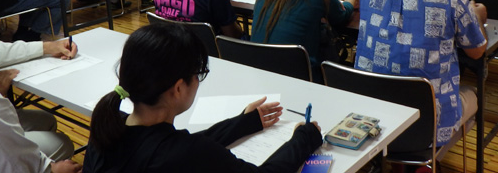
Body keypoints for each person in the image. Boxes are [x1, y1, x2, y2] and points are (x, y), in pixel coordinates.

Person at [84, 23, 322, 173]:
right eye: (196, 74)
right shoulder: (185, 154)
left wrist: (243, 122)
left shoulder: (107, 129)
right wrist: (305, 137)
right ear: (178, 88)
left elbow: (184, 145)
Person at [355, 0, 487, 147]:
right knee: (473, 96)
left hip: (373, 115)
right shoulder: (453, 1)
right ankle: (426, 158)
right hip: (426, 123)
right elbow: (476, 52)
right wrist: (478, 15)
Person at [0, 0, 81, 173]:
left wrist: (47, 47)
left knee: (44, 119)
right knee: (61, 143)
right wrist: (51, 170)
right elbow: (11, 164)